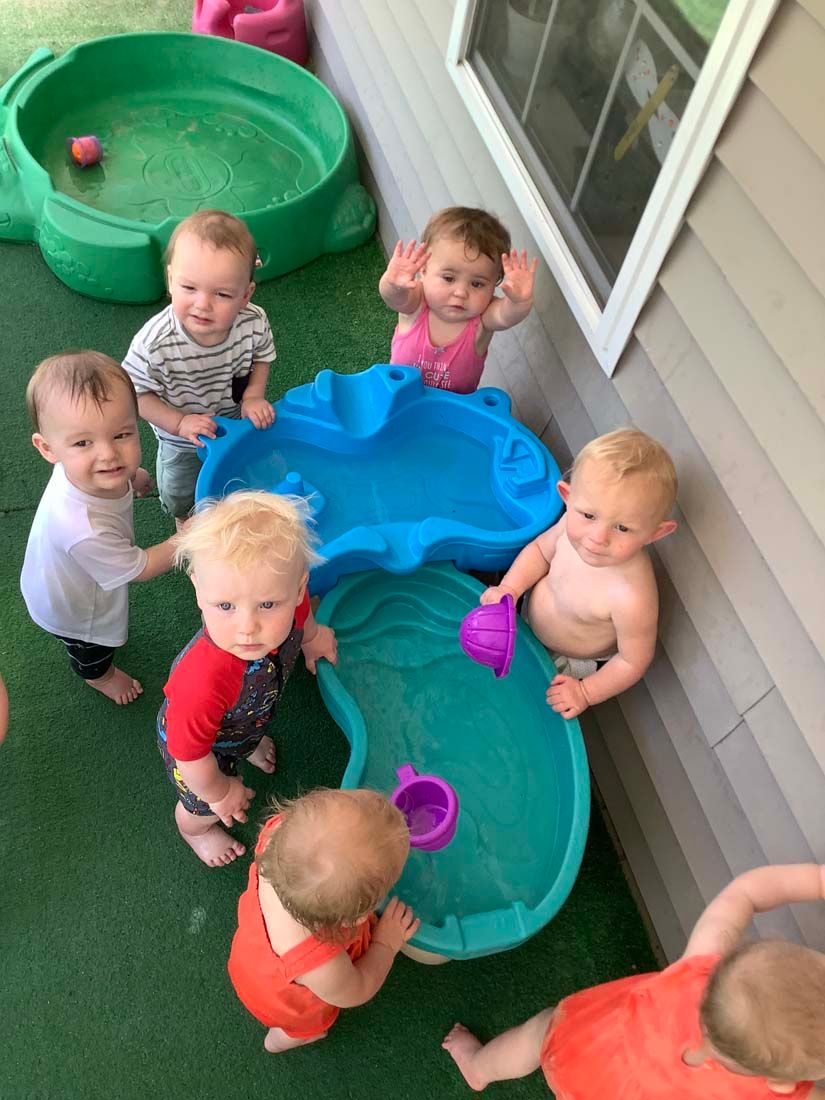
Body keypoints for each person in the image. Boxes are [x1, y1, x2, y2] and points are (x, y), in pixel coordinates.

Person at [443, 863, 825, 1097]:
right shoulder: (783, 1094)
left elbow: (744, 893)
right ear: (782, 1083)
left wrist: (818, 879)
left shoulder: (699, 965)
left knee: (539, 1032)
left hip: (585, 1052)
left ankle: (477, 1067)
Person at [157, 490, 338, 867]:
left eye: (267, 604)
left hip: (242, 720)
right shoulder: (201, 682)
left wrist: (314, 638)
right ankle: (195, 832)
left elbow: (302, 618)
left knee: (248, 722)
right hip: (198, 749)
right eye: (225, 606)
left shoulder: (292, 601)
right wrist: (220, 792)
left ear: (298, 588)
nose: (248, 628)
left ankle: (248, 743)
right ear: (197, 589)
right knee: (200, 805)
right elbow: (188, 754)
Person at [481, 428, 677, 719]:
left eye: (622, 528)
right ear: (567, 497)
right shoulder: (568, 529)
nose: (598, 537)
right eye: (589, 516)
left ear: (655, 533)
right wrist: (509, 588)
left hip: (565, 663)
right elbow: (539, 552)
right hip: (524, 618)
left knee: (522, 708)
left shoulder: (631, 595)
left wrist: (585, 692)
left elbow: (632, 660)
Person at [20, 352, 176, 705]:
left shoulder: (77, 468)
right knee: (93, 649)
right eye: (83, 443)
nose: (108, 454)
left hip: (66, 574)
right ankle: (101, 679)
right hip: (71, 608)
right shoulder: (82, 527)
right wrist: (186, 539)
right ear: (48, 448)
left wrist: (131, 477)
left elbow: (106, 462)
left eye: (122, 434)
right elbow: (141, 567)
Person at [228, 787, 419, 1053]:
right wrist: (386, 944)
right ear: (356, 918)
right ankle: (280, 1041)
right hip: (285, 1004)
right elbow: (358, 988)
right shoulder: (321, 966)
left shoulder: (280, 839)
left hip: (249, 958)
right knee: (301, 1028)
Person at [123, 209, 276, 528]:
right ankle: (184, 519)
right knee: (182, 490)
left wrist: (253, 395)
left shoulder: (253, 321)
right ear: (170, 280)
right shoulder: (155, 344)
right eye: (189, 288)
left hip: (234, 425)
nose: (202, 303)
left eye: (221, 294)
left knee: (237, 475)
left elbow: (262, 355)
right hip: (182, 442)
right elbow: (135, 394)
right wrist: (179, 423)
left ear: (245, 295)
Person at [380, 206, 538, 394]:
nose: (461, 292)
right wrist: (392, 283)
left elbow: (506, 315)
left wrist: (520, 302)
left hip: (453, 413)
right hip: (398, 397)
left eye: (477, 284)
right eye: (449, 278)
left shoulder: (483, 320)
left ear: (494, 283)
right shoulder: (417, 302)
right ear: (423, 269)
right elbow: (395, 299)